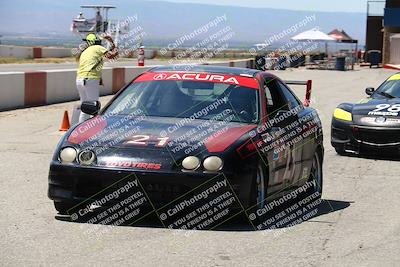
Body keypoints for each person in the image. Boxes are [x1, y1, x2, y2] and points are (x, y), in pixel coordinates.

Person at [76, 33, 118, 122]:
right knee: (93, 107)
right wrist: (112, 42)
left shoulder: (84, 52)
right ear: (97, 41)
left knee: (85, 107)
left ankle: (80, 129)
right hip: (90, 80)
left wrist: (99, 78)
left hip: (80, 79)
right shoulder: (97, 48)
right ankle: (92, 130)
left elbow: (91, 65)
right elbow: (113, 56)